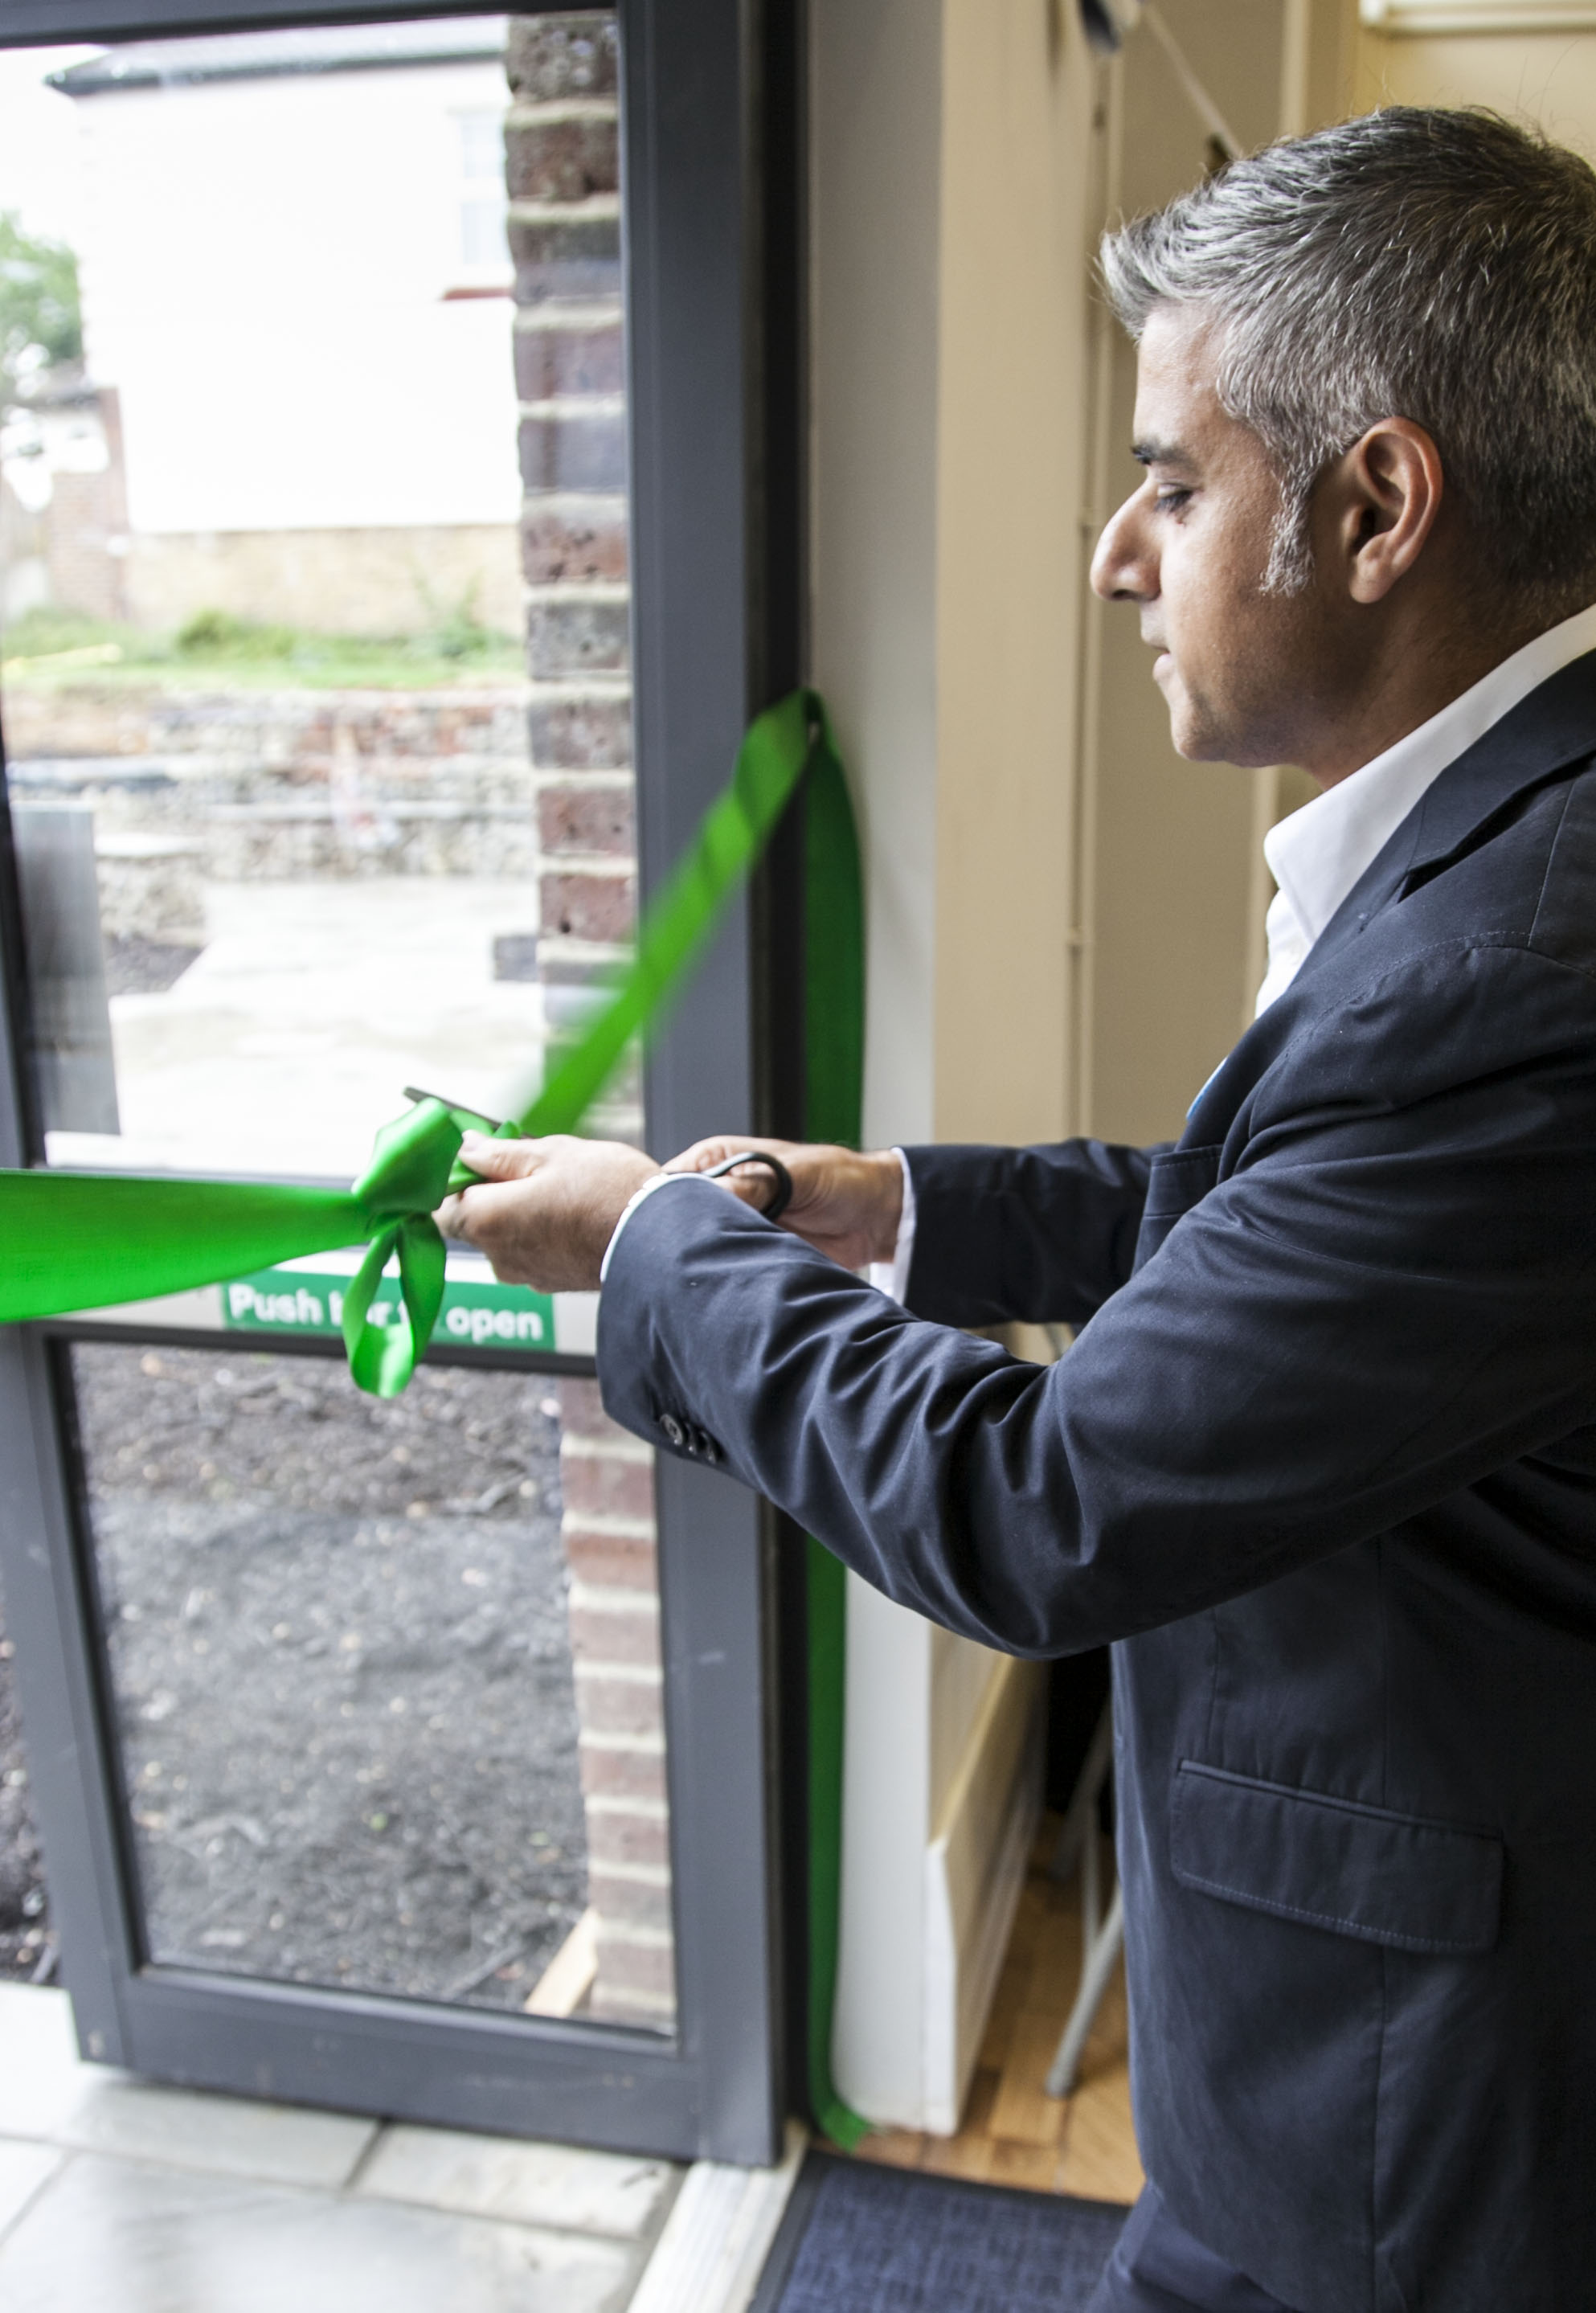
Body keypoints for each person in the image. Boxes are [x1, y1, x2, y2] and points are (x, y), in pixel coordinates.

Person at [439, 109, 1596, 2313]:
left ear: (1376, 508)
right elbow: (1286, 1233)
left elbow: (1038, 1507)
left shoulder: (1519, 966)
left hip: (1402, 2145)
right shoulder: (1519, 854)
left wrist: (658, 1243)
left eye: (1171, 482)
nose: (1113, 558)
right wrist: (886, 1207)